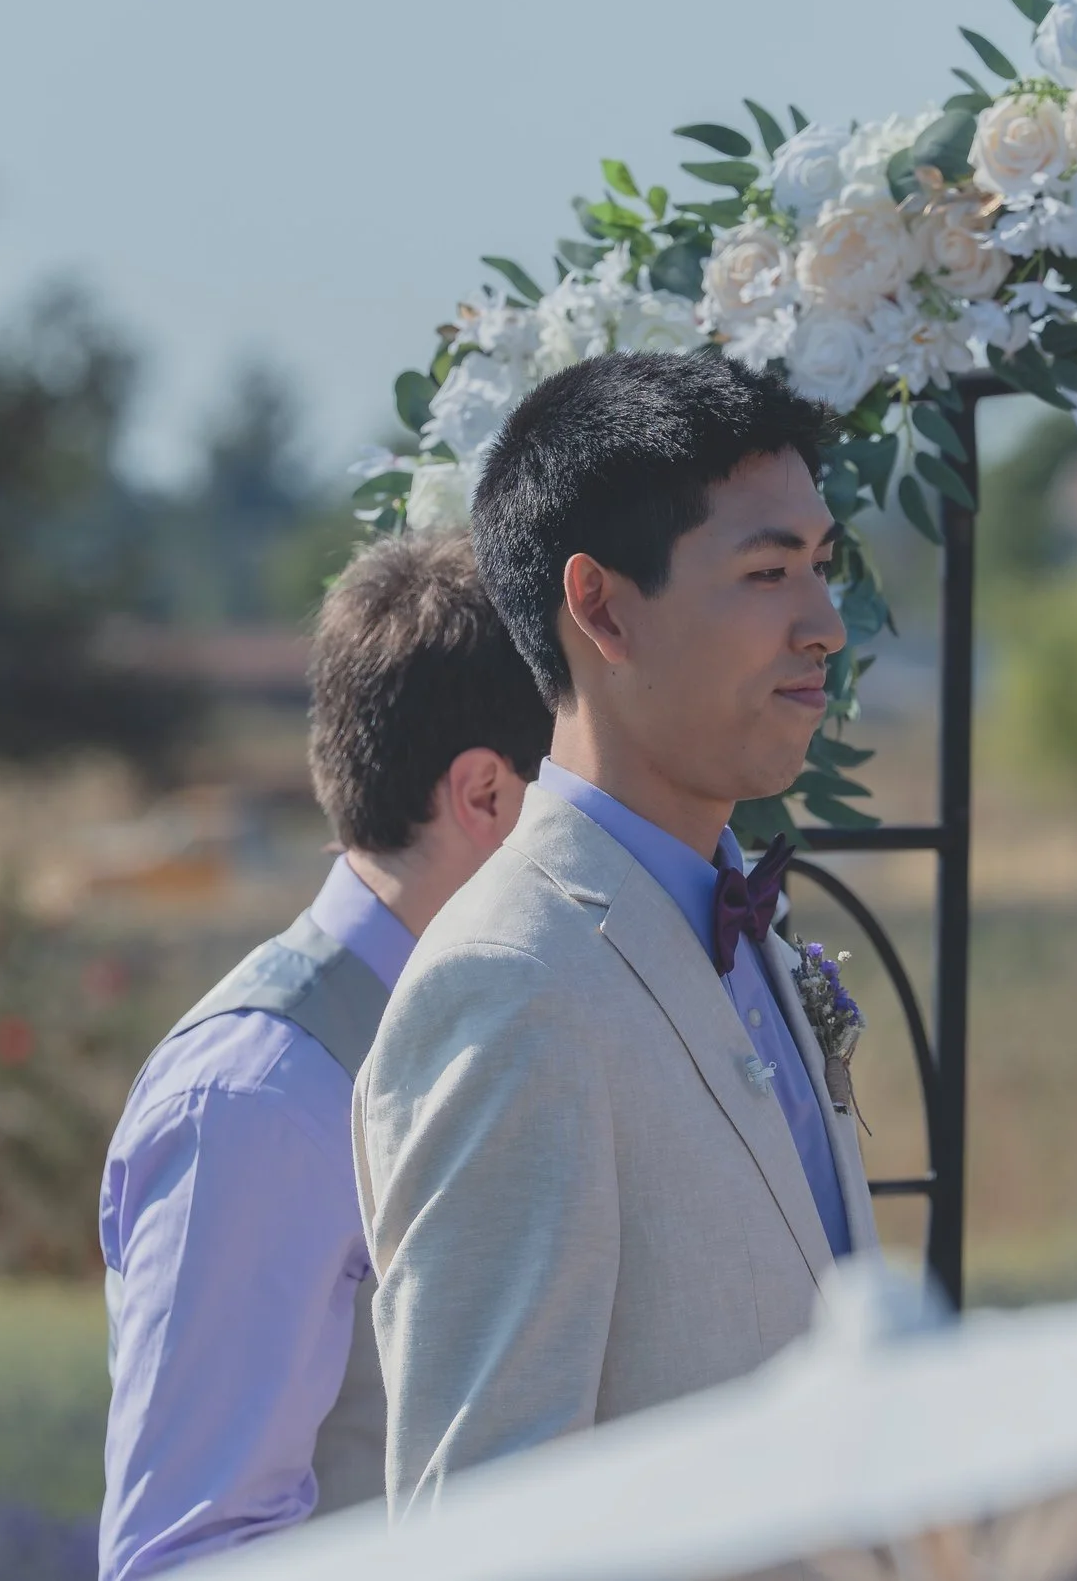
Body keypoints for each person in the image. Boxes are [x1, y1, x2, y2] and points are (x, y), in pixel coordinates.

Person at [355, 349, 880, 1514]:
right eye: (766, 570)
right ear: (598, 605)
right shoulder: (511, 982)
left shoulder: (749, 927)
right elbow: (485, 1521)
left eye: (822, 566)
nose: (825, 625)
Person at [96, 533, 552, 1580]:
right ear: (485, 794)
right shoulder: (262, 1097)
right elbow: (192, 1553)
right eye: (576, 798)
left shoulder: (497, 1023)